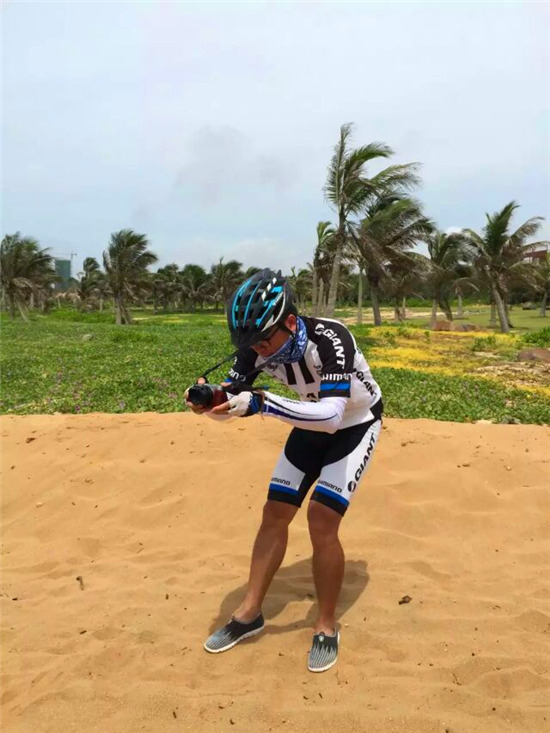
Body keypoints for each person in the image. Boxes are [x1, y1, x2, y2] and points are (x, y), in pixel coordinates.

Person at [185, 269, 383, 672]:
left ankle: (325, 625)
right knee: (274, 512)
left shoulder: (331, 338)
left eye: (264, 341)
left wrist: (263, 403)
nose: (258, 350)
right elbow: (233, 401)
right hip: (309, 421)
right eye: (250, 344)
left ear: (290, 322)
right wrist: (211, 404)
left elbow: (332, 416)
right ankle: (249, 614)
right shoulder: (254, 347)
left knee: (321, 518)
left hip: (354, 424)